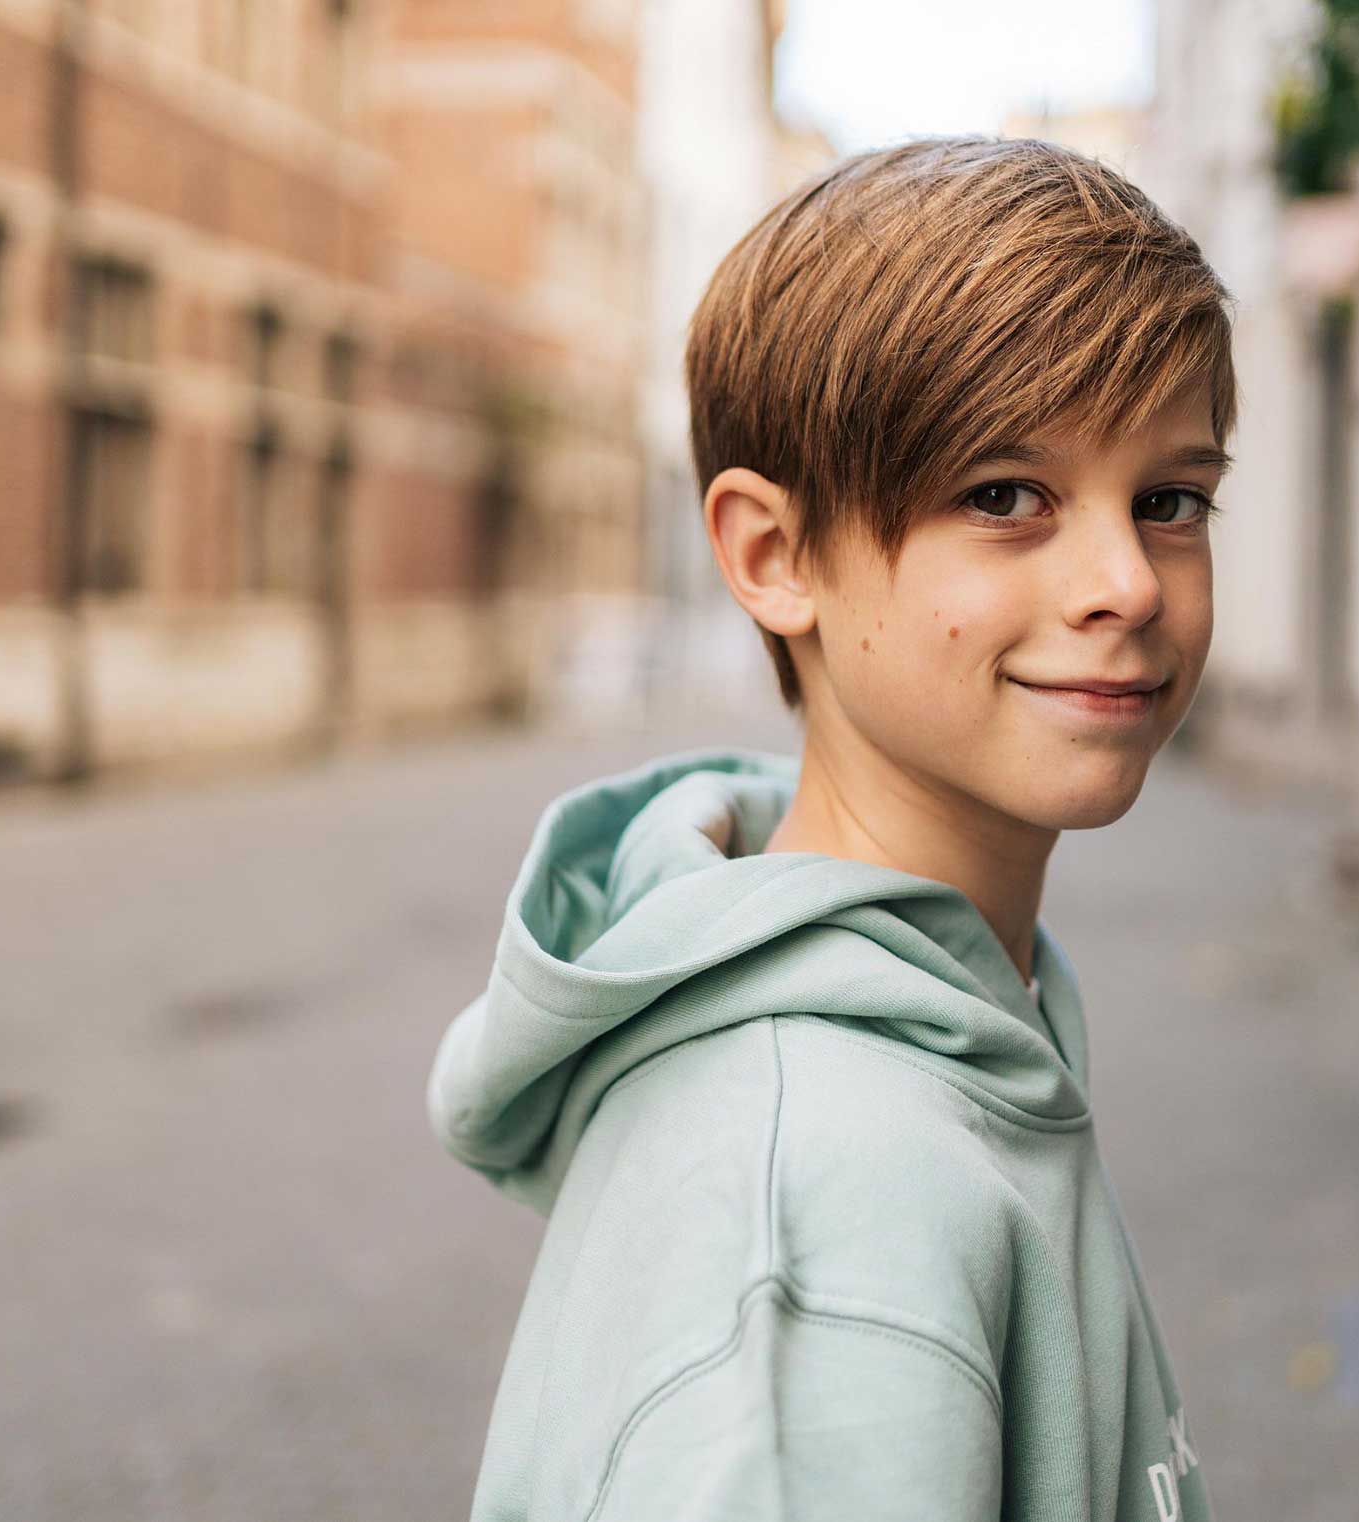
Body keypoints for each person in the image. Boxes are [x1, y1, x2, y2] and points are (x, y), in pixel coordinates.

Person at [427, 133, 1238, 1522]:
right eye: (1004, 496)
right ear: (773, 556)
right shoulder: (821, 1214)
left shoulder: (957, 991)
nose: (1125, 582)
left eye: (1169, 500)